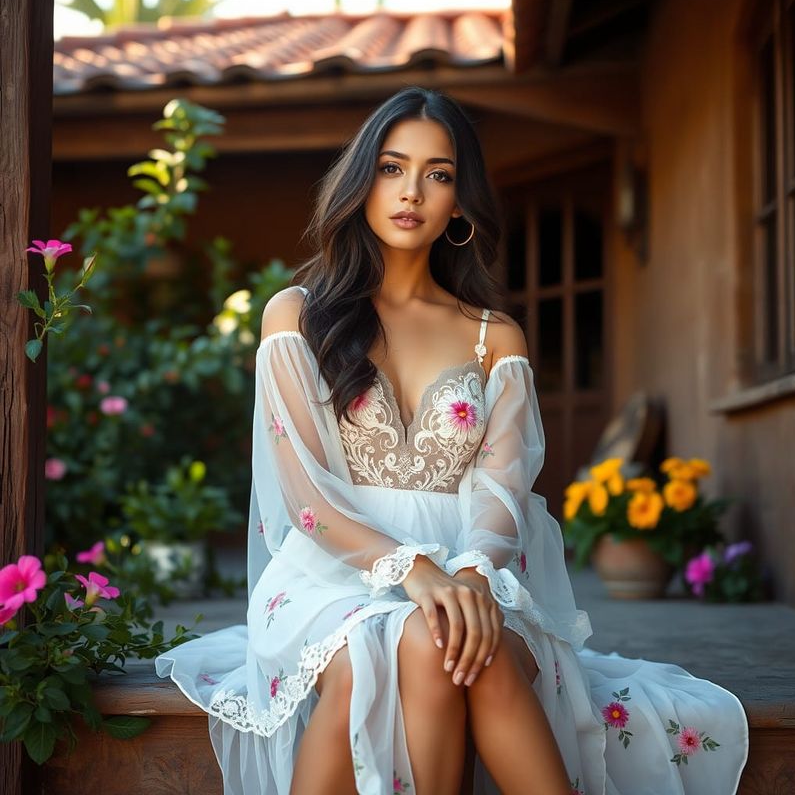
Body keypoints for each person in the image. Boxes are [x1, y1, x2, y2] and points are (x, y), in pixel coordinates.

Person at [154, 88, 746, 794]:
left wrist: (468, 574)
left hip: (473, 564)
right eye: (392, 167)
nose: (412, 192)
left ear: (461, 200)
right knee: (420, 643)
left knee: (460, 641)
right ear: (361, 181)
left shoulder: (493, 336)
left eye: (438, 174)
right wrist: (412, 571)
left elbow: (502, 490)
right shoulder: (298, 317)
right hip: (329, 572)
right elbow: (306, 500)